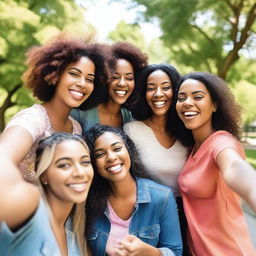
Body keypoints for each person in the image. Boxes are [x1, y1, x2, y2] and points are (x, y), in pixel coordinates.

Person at [0, 34, 109, 182]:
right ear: (55, 74)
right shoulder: (32, 119)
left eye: (90, 79)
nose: (83, 84)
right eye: (74, 74)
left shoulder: (76, 128)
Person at [174, 72, 256, 255]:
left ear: (214, 104)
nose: (187, 102)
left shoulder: (221, 143)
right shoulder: (193, 148)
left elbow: (234, 167)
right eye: (181, 97)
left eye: (198, 97)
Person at [85, 124, 182, 256]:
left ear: (129, 150)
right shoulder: (88, 201)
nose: (111, 157)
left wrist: (151, 252)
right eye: (100, 154)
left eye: (117, 148)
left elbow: (175, 252)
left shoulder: (162, 197)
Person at [123, 63, 190, 255]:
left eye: (166, 87)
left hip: (187, 215)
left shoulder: (187, 133)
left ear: (176, 91)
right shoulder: (132, 131)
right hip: (147, 218)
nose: (158, 94)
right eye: (151, 88)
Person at [0, 132, 94, 256]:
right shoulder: (31, 207)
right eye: (64, 165)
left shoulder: (76, 233)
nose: (80, 172)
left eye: (85, 162)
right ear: (44, 175)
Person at [71, 42, 148, 132]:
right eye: (115, 77)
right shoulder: (82, 112)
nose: (122, 83)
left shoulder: (129, 117)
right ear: (104, 77)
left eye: (129, 78)